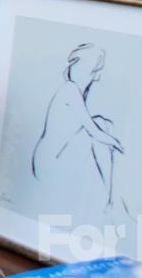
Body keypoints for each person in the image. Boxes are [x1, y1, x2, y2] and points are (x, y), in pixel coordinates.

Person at [31, 43, 128, 213]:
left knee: (103, 124)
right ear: (87, 69)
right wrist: (118, 144)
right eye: (96, 71)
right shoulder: (70, 90)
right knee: (100, 128)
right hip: (49, 163)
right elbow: (93, 131)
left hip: (57, 156)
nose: (97, 77)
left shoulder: (74, 90)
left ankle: (110, 196)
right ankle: (109, 198)